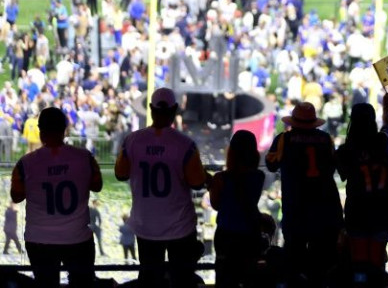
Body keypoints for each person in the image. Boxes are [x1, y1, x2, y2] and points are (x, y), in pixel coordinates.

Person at [114, 87, 208, 288]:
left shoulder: (132, 141)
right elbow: (198, 182)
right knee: (182, 280)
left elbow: (120, 174)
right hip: (180, 226)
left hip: (146, 226)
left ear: (150, 109)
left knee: (149, 280)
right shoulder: (185, 144)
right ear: (174, 110)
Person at [10, 106, 103, 287]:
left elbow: (16, 196)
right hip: (77, 238)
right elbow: (97, 185)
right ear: (64, 129)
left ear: (41, 132)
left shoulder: (25, 164)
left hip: (39, 240)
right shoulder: (85, 158)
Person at [266, 102, 343, 286]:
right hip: (324, 208)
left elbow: (271, 164)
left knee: (294, 260)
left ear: (293, 121)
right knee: (321, 263)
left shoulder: (285, 139)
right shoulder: (326, 139)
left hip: (296, 208)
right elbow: (333, 166)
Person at [335, 93, 388, 282]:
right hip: (382, 211)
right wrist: (386, 109)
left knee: (359, 268)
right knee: (376, 267)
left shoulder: (346, 150)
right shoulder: (383, 142)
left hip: (357, 212)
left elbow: (342, 175)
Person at [208, 130, 265, 287]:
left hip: (226, 236)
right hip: (250, 235)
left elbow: (216, 205)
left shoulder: (220, 178)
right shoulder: (259, 176)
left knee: (225, 279)